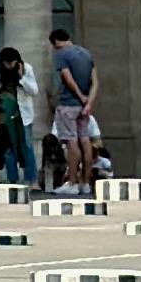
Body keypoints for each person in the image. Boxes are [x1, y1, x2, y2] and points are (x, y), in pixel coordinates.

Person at [49, 29, 99, 190]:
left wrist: (79, 95)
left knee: (71, 143)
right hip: (84, 107)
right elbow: (95, 81)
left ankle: (71, 183)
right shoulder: (86, 53)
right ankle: (85, 182)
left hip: (68, 104)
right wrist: (88, 102)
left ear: (56, 42)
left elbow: (67, 77)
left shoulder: (61, 54)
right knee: (85, 141)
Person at [0, 45, 37, 185]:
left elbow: (34, 90)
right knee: (8, 146)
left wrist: (21, 78)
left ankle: (31, 179)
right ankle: (12, 178)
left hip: (23, 113)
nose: (9, 65)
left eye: (11, 62)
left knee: (26, 145)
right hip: (6, 111)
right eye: (6, 63)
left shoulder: (26, 69)